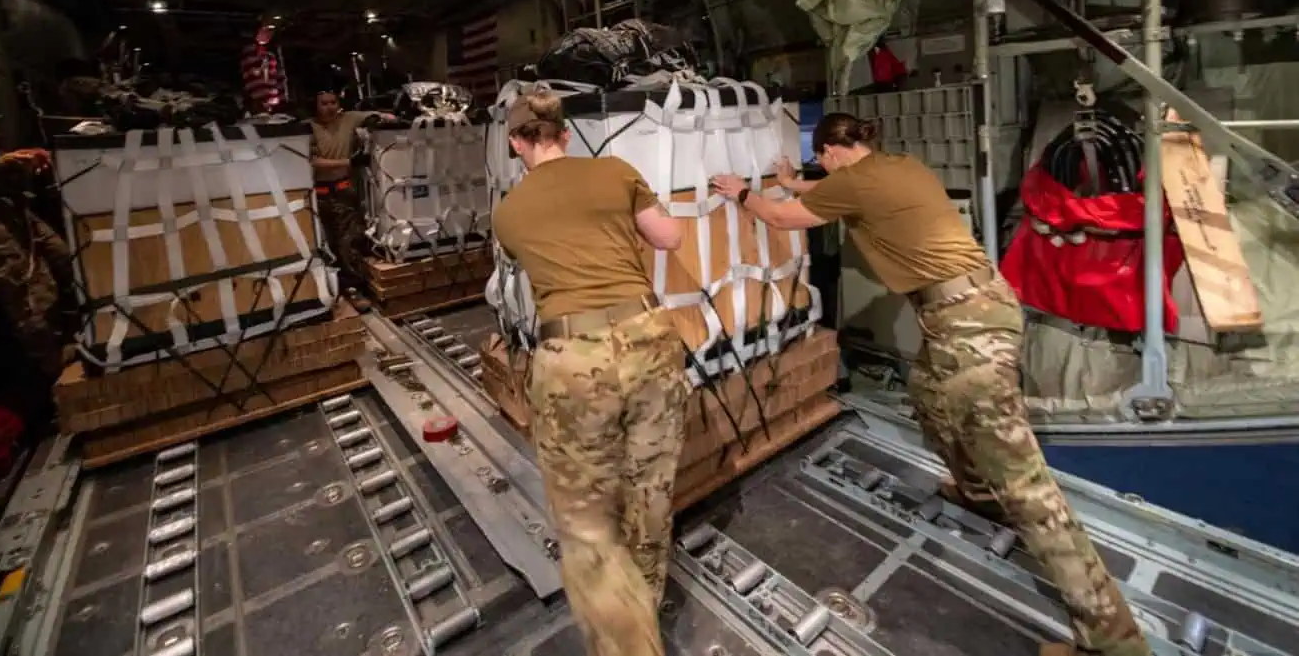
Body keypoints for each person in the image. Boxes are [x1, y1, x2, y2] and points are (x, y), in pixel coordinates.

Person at [709, 112, 1151, 656]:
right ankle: (979, 494)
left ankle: (1115, 640)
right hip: (971, 311)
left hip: (970, 331)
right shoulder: (897, 167)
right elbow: (825, 190)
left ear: (829, 152)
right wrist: (790, 179)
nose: (817, 167)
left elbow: (780, 220)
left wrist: (740, 193)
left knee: (1029, 488)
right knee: (929, 399)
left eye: (818, 159)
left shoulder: (852, 182)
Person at [491, 87, 688, 656]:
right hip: (650, 338)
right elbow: (669, 238)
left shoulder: (509, 214)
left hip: (574, 358)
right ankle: (645, 603)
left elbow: (526, 270)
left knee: (585, 516)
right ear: (565, 135)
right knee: (649, 489)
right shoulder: (616, 172)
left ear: (515, 143)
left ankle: (626, 645)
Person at [308, 89, 392, 304]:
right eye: (323, 103)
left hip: (344, 191)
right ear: (315, 105)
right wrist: (348, 162)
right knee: (327, 243)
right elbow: (312, 161)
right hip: (319, 194)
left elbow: (376, 115)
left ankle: (353, 287)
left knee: (349, 241)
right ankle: (331, 288)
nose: (329, 107)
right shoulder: (309, 128)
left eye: (333, 102)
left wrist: (386, 118)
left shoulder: (348, 119)